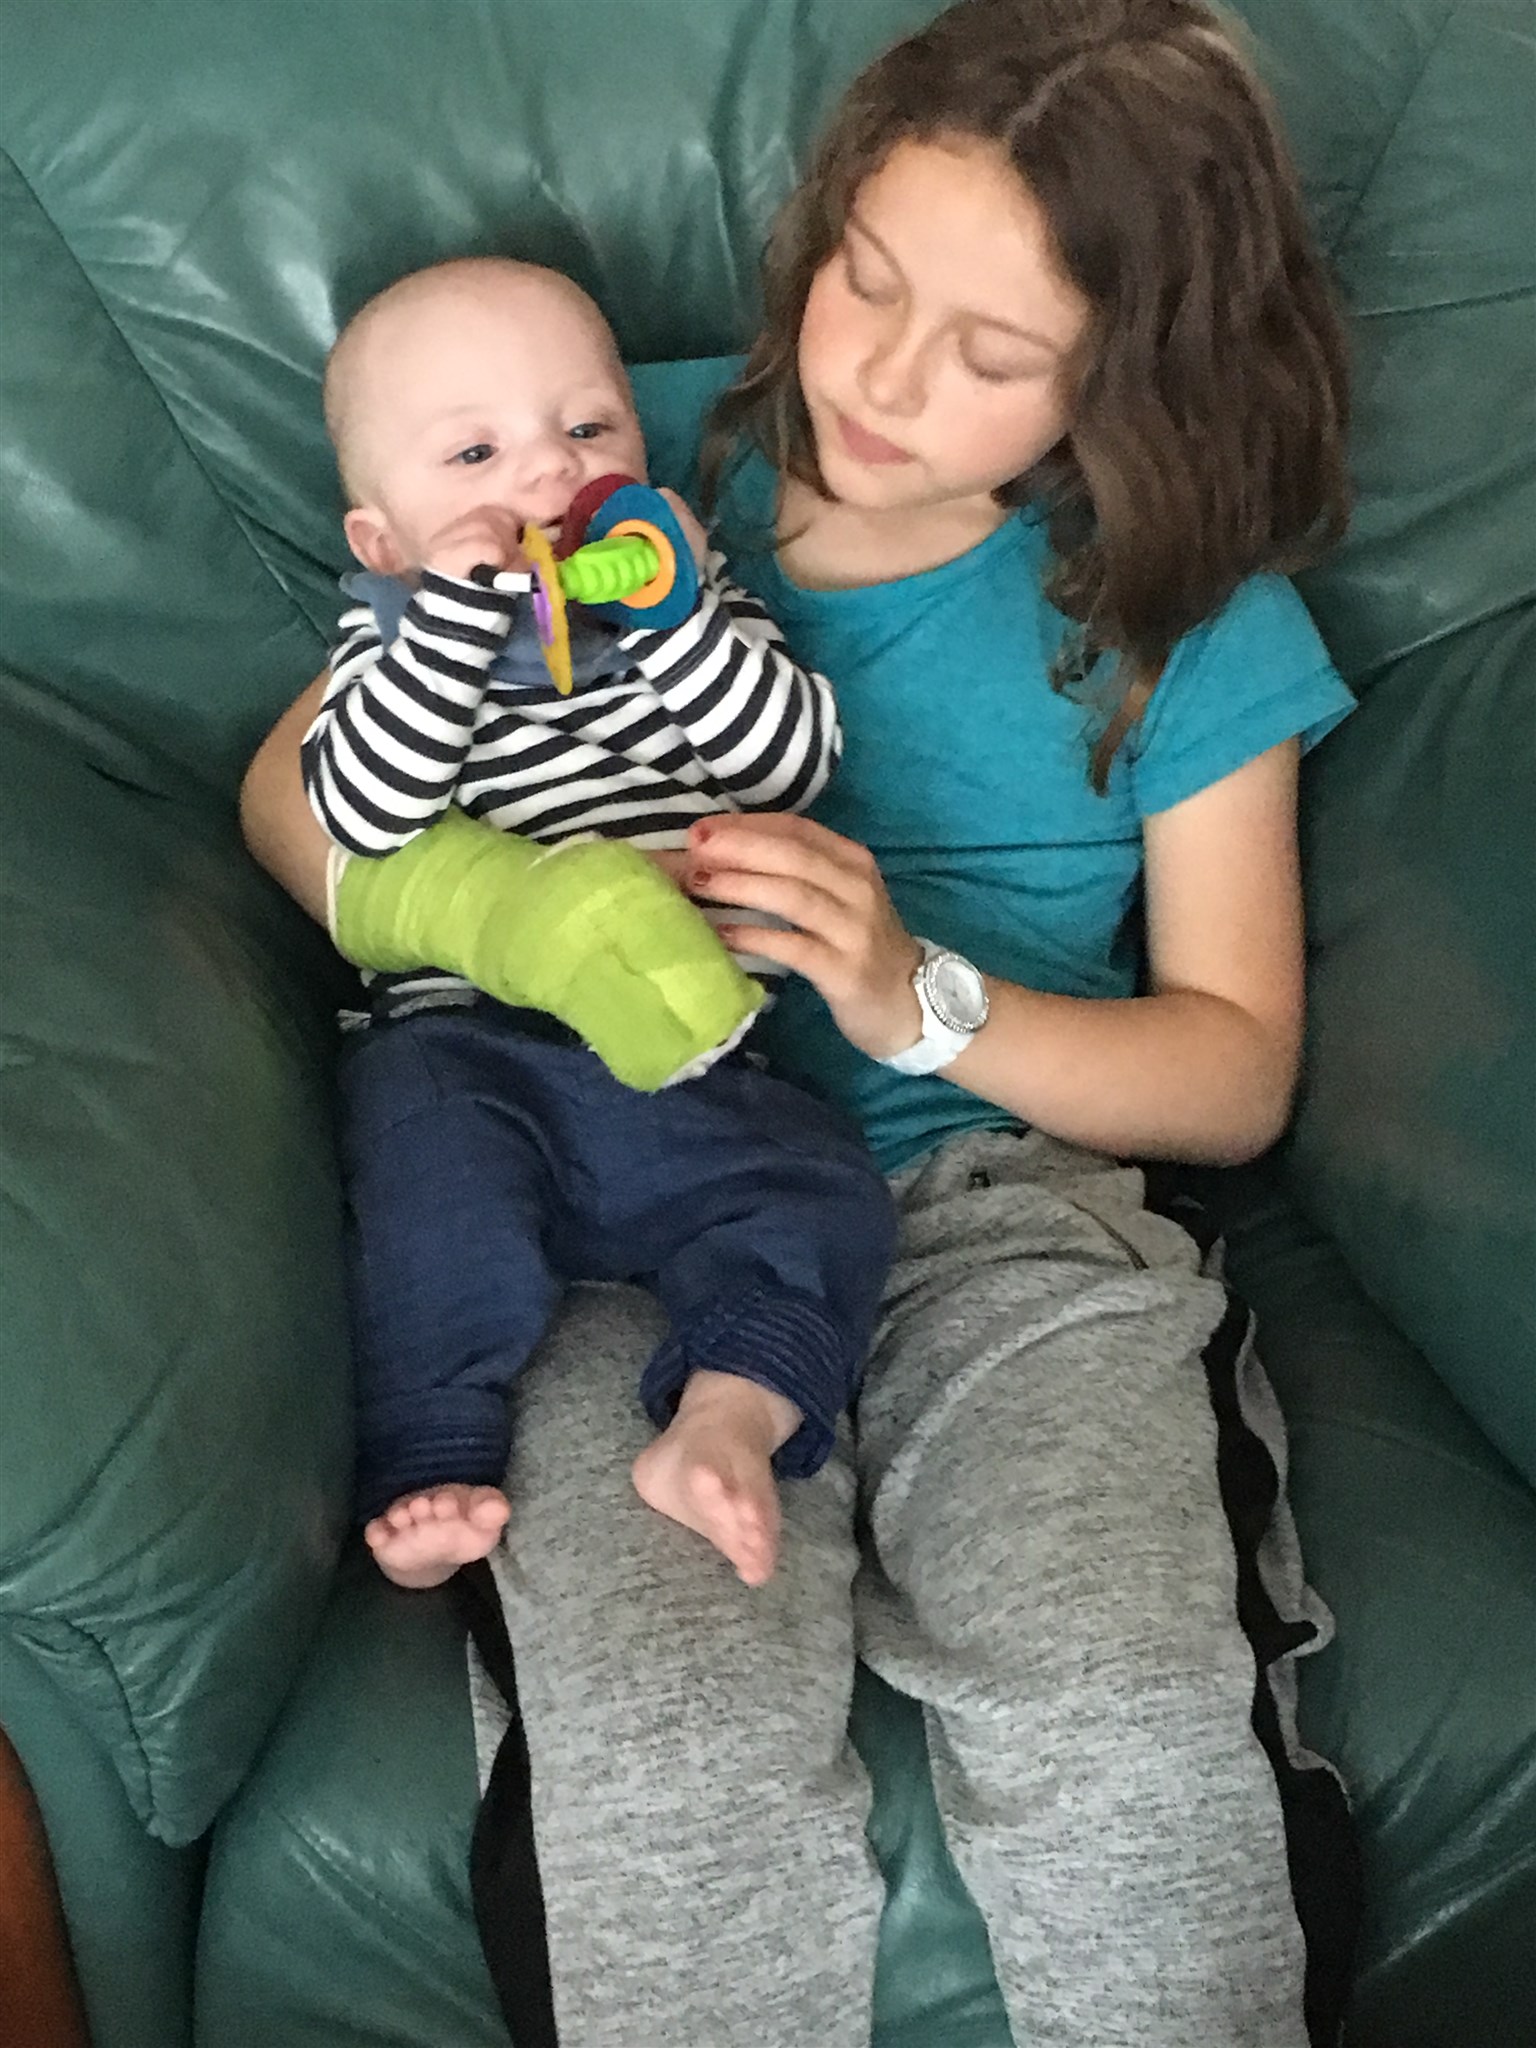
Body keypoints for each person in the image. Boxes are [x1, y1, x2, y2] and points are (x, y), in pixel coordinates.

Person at [239, 0, 1362, 2041]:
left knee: (1119, 1703)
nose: (880, 377)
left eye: (994, 354)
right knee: (666, 1743)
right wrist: (516, 913)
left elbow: (1236, 1068)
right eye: (866, 278)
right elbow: (285, 794)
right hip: (608, 1205)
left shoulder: (1185, 621)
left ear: (1133, 376)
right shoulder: (594, 449)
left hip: (994, 1214)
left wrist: (912, 995)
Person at [303, 255, 897, 1592]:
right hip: (473, 1053)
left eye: (588, 427)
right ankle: (433, 1454)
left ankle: (728, 1413)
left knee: (824, 1192)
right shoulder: (387, 643)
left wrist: (678, 621)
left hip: (692, 1063)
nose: (546, 472)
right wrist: (451, 630)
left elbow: (788, 763)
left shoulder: (688, 611)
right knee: (419, 1203)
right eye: (474, 453)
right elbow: (365, 813)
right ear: (383, 541)